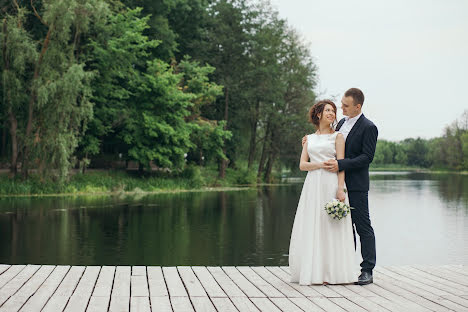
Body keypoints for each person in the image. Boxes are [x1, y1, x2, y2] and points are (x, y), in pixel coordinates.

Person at [302, 88, 378, 285]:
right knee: (343, 229)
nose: (340, 108)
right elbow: (327, 140)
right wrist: (309, 142)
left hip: (356, 186)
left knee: (363, 227)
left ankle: (367, 270)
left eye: (345, 105)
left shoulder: (369, 127)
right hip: (334, 183)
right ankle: (344, 268)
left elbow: (366, 157)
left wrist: (341, 165)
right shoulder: (342, 123)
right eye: (341, 104)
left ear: (357, 106)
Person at [289, 99, 358, 285]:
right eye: (327, 110)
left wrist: (340, 188)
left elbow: (341, 164)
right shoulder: (308, 139)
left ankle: (332, 273)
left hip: (331, 182)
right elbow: (302, 165)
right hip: (313, 184)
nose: (332, 113)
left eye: (333, 111)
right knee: (314, 224)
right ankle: (314, 271)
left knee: (331, 225)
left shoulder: (338, 137)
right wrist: (320, 165)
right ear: (318, 114)